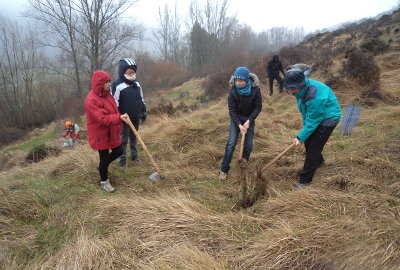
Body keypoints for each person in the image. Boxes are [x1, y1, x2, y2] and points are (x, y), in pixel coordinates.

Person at [283, 69, 342, 190]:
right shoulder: (299, 91)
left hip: (329, 117)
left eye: (294, 88)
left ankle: (305, 181)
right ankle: (319, 162)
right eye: (290, 88)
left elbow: (314, 119)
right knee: (309, 141)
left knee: (313, 149)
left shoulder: (314, 95)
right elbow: (307, 114)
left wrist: (300, 137)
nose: (292, 91)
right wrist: (305, 135)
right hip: (317, 116)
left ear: (301, 84)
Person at [84, 69, 128, 192]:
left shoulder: (107, 94)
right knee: (104, 158)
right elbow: (103, 119)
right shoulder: (91, 100)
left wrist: (118, 121)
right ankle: (104, 182)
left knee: (119, 150)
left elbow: (114, 110)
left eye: (109, 81)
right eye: (106, 82)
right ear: (99, 83)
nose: (109, 84)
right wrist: (119, 118)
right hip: (100, 134)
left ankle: (102, 166)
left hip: (111, 131)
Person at [219, 66, 262, 180]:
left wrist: (248, 121)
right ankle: (224, 170)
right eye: (236, 80)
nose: (238, 83)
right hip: (236, 120)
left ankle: (242, 167)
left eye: (241, 80)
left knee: (248, 145)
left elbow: (258, 107)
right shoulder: (233, 91)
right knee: (231, 143)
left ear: (247, 80)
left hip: (249, 119)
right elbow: (232, 110)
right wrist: (239, 124)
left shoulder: (255, 90)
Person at [111, 58, 147, 168]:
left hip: (135, 116)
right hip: (124, 118)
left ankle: (134, 156)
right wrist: (118, 117)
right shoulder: (117, 86)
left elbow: (141, 99)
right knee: (123, 139)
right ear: (123, 72)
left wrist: (143, 111)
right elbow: (114, 103)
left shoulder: (137, 85)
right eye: (129, 72)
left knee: (134, 137)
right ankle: (122, 161)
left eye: (133, 72)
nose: (131, 74)